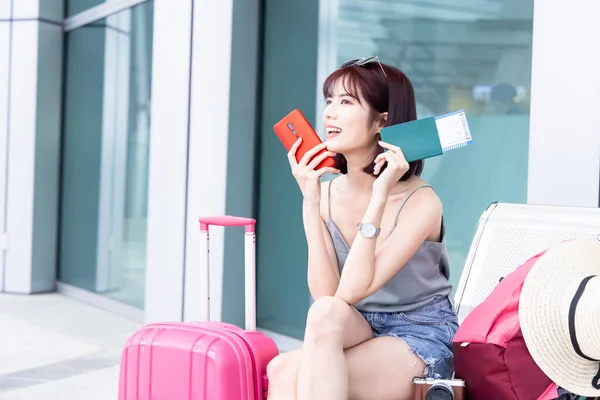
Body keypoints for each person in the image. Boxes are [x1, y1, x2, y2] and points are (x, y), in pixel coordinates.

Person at [266, 57, 458, 400]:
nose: (328, 113)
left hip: (417, 335)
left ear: (380, 122)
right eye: (329, 101)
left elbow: (354, 289)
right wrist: (310, 201)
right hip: (358, 326)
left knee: (291, 376)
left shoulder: (421, 201)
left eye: (346, 102)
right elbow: (329, 298)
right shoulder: (324, 192)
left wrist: (380, 194)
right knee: (285, 361)